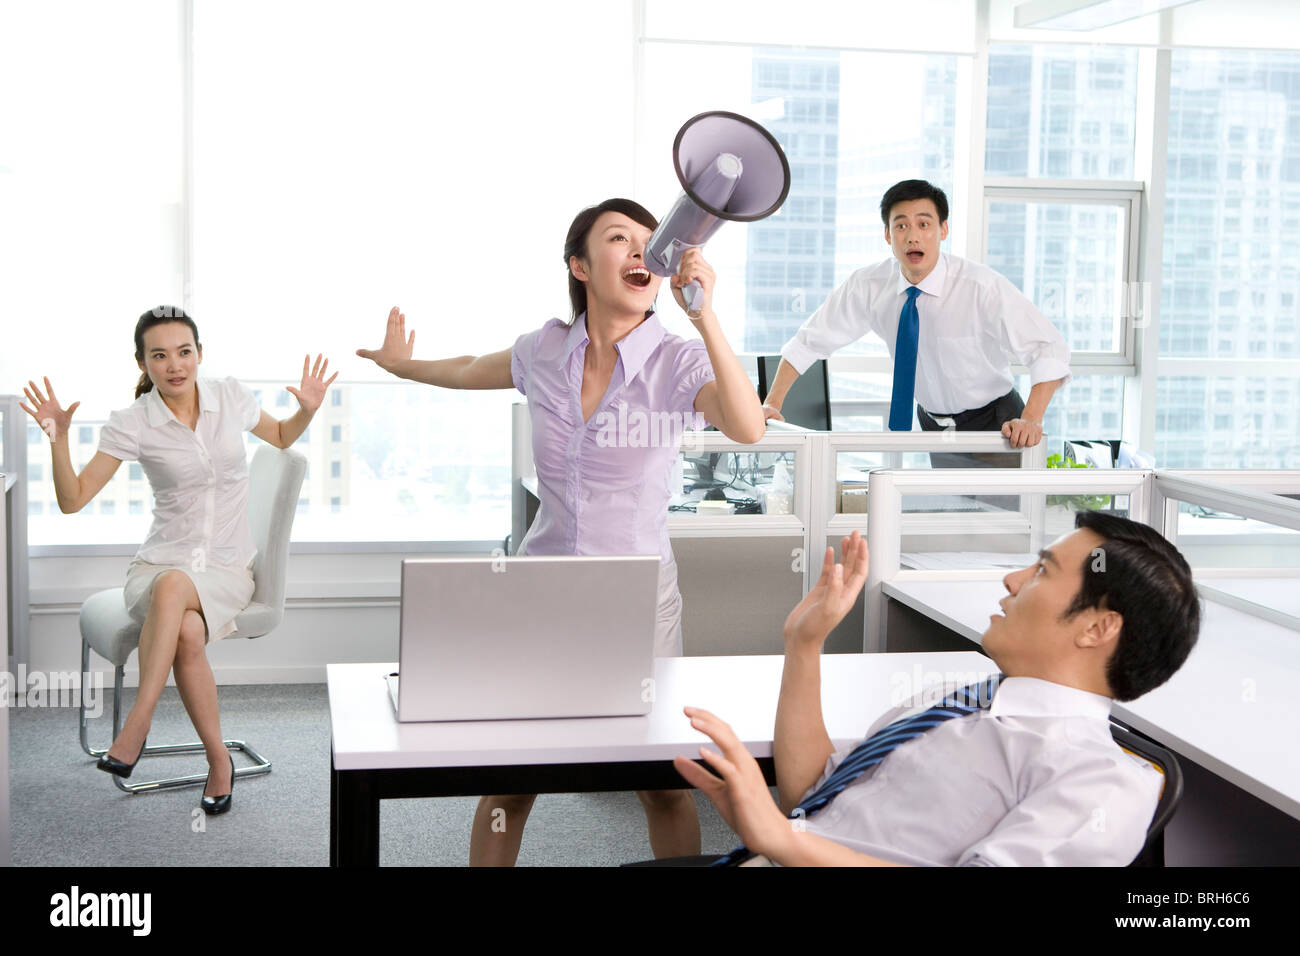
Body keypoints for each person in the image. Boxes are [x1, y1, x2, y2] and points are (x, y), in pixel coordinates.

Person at [357, 197, 765, 866]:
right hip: (541, 591)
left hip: (638, 601)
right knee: (509, 786)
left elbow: (748, 426)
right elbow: (466, 368)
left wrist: (706, 316)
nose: (641, 252)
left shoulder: (678, 361)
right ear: (579, 265)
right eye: (618, 239)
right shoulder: (545, 350)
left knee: (661, 786)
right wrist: (405, 366)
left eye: (649, 242)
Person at [673, 512, 1201, 866]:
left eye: (1043, 570)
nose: (1012, 580)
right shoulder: (955, 700)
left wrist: (784, 840)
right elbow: (811, 797)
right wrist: (804, 646)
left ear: (1097, 628)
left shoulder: (1102, 784)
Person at [21, 307, 337, 815]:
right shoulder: (134, 422)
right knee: (181, 613)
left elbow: (280, 437)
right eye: (160, 355)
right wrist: (57, 438)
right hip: (158, 567)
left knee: (178, 599)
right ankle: (218, 761)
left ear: (200, 354)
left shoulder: (230, 396)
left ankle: (137, 725)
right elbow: (72, 498)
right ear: (142, 363)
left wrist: (309, 410)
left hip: (228, 570)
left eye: (184, 352)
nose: (175, 365)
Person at [762, 179, 1070, 451]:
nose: (913, 236)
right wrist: (771, 404)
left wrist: (1031, 420)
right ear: (887, 235)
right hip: (934, 426)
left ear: (943, 230)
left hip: (996, 423)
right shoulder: (869, 285)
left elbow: (1048, 347)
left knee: (1003, 515)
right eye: (901, 225)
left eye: (924, 224)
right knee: (949, 515)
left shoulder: (979, 286)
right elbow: (809, 341)